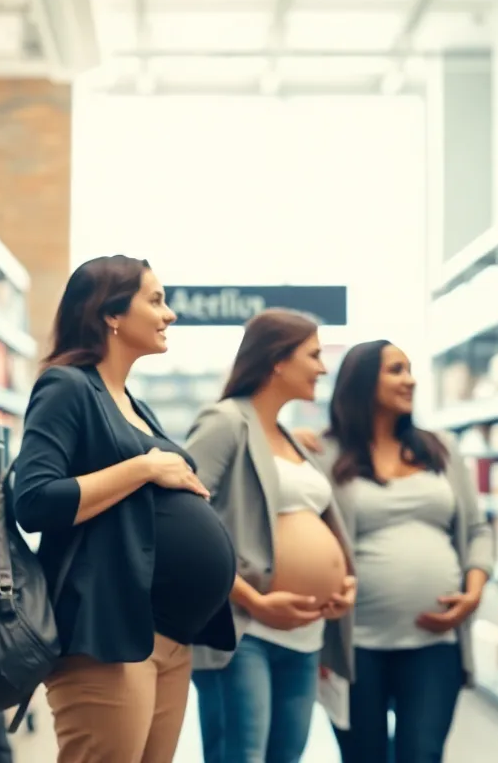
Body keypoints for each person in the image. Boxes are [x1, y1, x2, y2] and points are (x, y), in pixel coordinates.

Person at [10, 255, 238, 763]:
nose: (170, 314)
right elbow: (34, 500)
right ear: (110, 313)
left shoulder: (130, 399)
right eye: (155, 300)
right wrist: (144, 468)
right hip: (109, 634)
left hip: (168, 637)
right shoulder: (66, 387)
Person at [298, 340, 492, 763]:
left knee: (422, 754)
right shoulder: (324, 453)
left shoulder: (439, 449)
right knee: (363, 757)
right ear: (362, 381)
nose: (411, 379)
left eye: (410, 369)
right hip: (355, 644)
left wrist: (473, 593)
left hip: (434, 639)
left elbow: (477, 529)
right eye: (397, 370)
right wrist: (283, 440)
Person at [184, 308, 357, 763]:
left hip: (305, 637)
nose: (322, 367)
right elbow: (181, 525)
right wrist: (254, 600)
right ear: (278, 360)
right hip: (245, 632)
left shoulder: (288, 436)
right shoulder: (224, 422)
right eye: (314, 355)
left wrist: (342, 584)